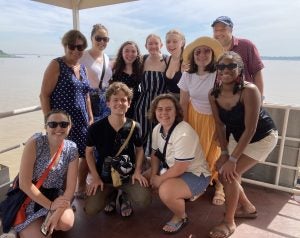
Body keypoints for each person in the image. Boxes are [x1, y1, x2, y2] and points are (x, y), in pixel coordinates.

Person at [208, 51, 278, 238]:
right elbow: (220, 125)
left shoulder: (249, 90)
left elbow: (251, 128)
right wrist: (224, 153)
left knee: (230, 174)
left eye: (231, 66)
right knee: (222, 169)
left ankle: (229, 222)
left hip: (261, 137)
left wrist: (232, 159)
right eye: (221, 66)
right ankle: (247, 207)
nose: (225, 70)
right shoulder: (213, 94)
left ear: (240, 69)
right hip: (236, 137)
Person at [40, 29, 93, 199]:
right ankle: (61, 197)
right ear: (65, 45)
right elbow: (44, 95)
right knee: (62, 160)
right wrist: (50, 122)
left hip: (82, 121)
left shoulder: (82, 68)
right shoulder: (56, 64)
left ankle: (81, 187)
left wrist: (90, 116)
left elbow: (86, 94)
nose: (76, 50)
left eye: (81, 47)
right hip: (62, 124)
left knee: (85, 154)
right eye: (73, 46)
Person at [85, 82, 151, 217]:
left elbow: (139, 149)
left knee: (144, 200)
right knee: (90, 210)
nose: (119, 103)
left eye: (123, 100)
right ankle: (111, 195)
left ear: (129, 103)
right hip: (104, 178)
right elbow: (89, 152)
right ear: (108, 103)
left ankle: (124, 196)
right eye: (115, 100)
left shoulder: (134, 126)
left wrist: (137, 172)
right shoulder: (96, 128)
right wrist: (95, 178)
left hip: (127, 176)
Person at [149, 94, 211, 234]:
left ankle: (181, 216)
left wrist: (159, 179)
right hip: (171, 168)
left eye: (169, 109)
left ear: (176, 111)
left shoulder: (183, 132)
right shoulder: (157, 129)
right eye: (160, 109)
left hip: (195, 175)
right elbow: (154, 154)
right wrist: (153, 175)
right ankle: (178, 195)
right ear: (154, 111)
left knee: (165, 190)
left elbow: (180, 167)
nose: (164, 113)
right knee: (143, 180)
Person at [14, 109, 78, 237]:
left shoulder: (72, 148)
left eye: (64, 124)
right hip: (30, 195)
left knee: (66, 223)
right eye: (53, 124)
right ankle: (20, 228)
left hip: (54, 194)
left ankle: (48, 218)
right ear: (46, 127)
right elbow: (24, 184)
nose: (58, 128)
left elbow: (70, 188)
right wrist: (50, 205)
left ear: (69, 127)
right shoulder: (36, 143)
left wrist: (58, 211)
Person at [178, 36, 225, 205]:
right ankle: (200, 185)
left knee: (216, 153)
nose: (202, 55)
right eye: (198, 52)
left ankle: (220, 187)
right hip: (194, 117)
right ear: (193, 56)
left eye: (206, 51)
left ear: (212, 54)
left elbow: (225, 103)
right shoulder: (187, 76)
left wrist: (223, 129)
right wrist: (184, 127)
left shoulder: (218, 75)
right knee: (197, 155)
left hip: (215, 119)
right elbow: (183, 102)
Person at [211, 16, 264, 97]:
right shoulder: (211, 50)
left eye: (222, 30)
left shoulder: (246, 45)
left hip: (245, 98)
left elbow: (257, 73)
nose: (218, 33)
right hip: (221, 100)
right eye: (216, 30)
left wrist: (259, 98)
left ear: (231, 30)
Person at [135, 34, 167, 155]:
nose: (153, 46)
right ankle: (140, 163)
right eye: (150, 44)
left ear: (161, 45)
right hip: (143, 103)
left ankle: (155, 164)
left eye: (156, 43)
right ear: (146, 46)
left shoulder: (167, 59)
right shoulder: (142, 60)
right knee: (141, 134)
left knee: (159, 135)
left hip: (161, 105)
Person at [80, 23, 112, 122]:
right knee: (92, 133)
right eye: (98, 38)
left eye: (105, 39)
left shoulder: (106, 57)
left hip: (106, 101)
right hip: (90, 102)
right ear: (91, 38)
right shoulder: (82, 57)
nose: (102, 41)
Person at [111, 41, 143, 119]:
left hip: (135, 106)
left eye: (133, 51)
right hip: (119, 106)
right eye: (126, 51)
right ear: (121, 53)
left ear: (137, 54)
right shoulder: (114, 68)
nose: (130, 54)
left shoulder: (140, 68)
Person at [164, 29, 186, 99]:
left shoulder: (187, 60)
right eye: (168, 42)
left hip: (184, 102)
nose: (171, 44)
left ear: (182, 43)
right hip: (169, 101)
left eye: (175, 41)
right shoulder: (167, 59)